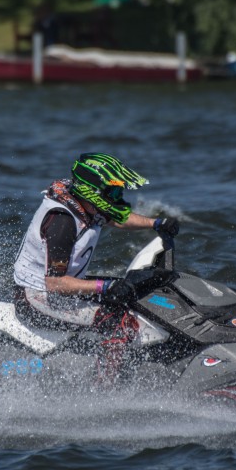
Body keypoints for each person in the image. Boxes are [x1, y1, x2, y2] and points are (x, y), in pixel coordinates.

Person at [13, 153, 179, 382]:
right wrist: (106, 286)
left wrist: (156, 223)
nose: (117, 197)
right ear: (91, 191)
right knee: (118, 322)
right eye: (111, 192)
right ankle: (105, 389)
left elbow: (117, 219)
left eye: (118, 192)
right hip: (36, 297)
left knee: (132, 294)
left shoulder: (84, 204)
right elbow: (55, 283)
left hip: (61, 288)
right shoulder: (63, 221)